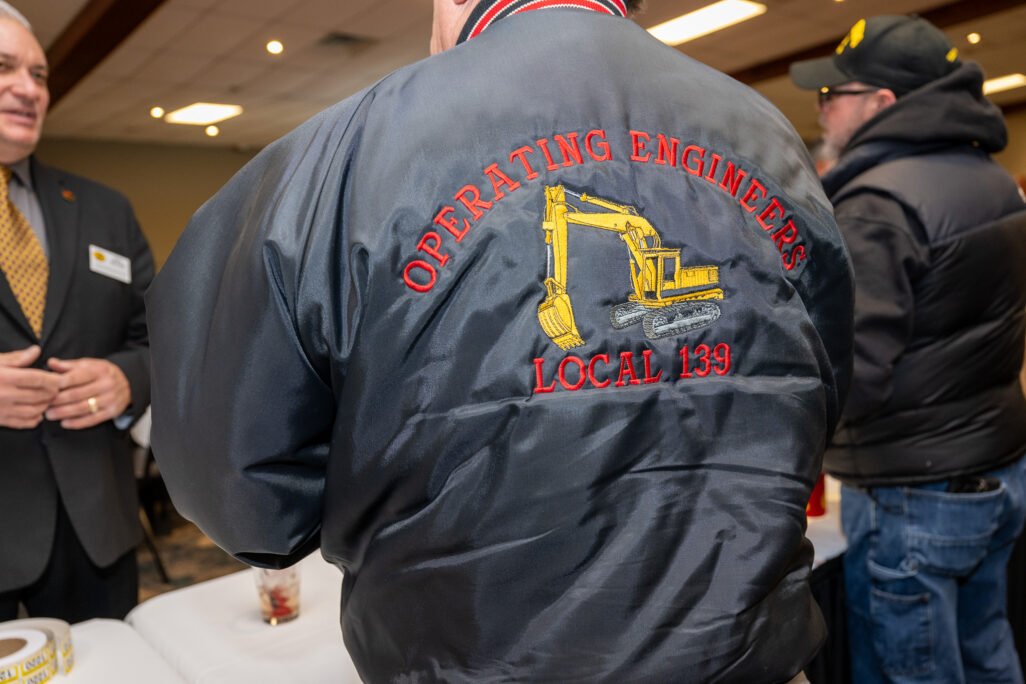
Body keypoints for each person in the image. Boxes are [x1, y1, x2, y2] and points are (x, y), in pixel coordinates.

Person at [147, 0, 853, 680]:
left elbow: (243, 494)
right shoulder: (768, 136)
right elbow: (823, 391)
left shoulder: (341, 158)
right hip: (748, 655)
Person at [790, 14, 1026, 684]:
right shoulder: (988, 178)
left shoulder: (877, 205)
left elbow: (853, 372)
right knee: (986, 654)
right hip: (998, 466)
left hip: (913, 491)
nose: (822, 108)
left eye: (833, 93)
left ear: (881, 102)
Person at [0, 1, 154, 622]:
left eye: (39, 74)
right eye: (4, 67)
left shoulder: (105, 209)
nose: (28, 88)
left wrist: (128, 379)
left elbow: (160, 338)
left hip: (97, 532)